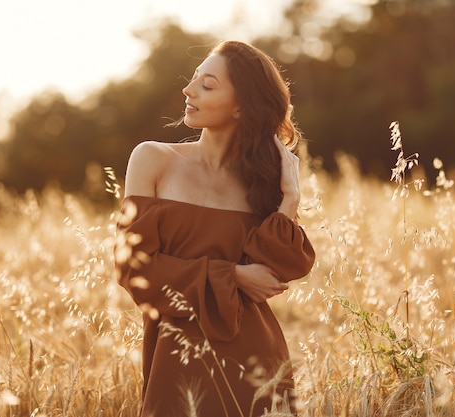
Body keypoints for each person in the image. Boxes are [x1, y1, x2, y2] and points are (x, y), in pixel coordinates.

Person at [114, 40, 315, 417]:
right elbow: (133, 270)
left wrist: (289, 200)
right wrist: (234, 276)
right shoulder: (153, 159)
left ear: (241, 106)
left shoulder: (261, 183)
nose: (188, 91)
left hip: (258, 368)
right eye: (193, 80)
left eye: (207, 85)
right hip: (174, 364)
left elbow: (279, 273)